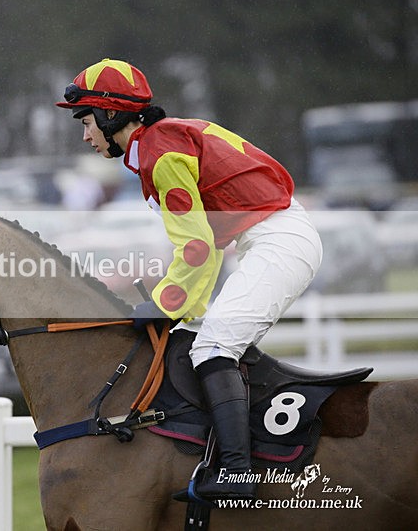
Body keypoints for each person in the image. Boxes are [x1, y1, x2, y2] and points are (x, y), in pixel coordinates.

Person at [56, 58, 323, 501]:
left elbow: (196, 247)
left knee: (214, 347)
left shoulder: (161, 153)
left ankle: (238, 474)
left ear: (109, 114)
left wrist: (165, 305)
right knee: (207, 340)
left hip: (279, 240)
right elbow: (207, 245)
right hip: (270, 238)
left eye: (86, 122)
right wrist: (180, 308)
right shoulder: (162, 141)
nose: (85, 136)